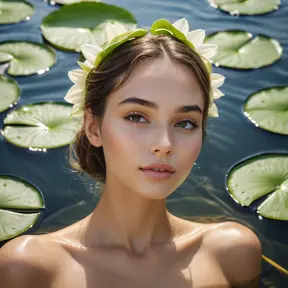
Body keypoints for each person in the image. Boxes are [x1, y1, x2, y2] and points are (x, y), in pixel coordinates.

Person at [0, 19, 261, 287]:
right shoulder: (30, 268)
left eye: (185, 123)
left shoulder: (232, 254)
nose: (164, 143)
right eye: (137, 117)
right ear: (93, 127)